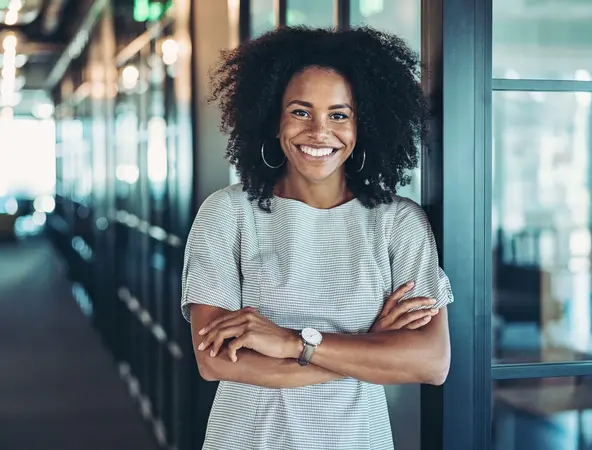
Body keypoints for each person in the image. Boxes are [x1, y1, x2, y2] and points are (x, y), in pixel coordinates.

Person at [181, 26, 453, 450]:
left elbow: (432, 362)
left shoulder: (398, 223)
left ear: (364, 124)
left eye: (339, 115)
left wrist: (291, 343)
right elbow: (213, 361)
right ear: (274, 117)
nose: (319, 132)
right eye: (301, 112)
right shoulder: (227, 213)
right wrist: (368, 350)